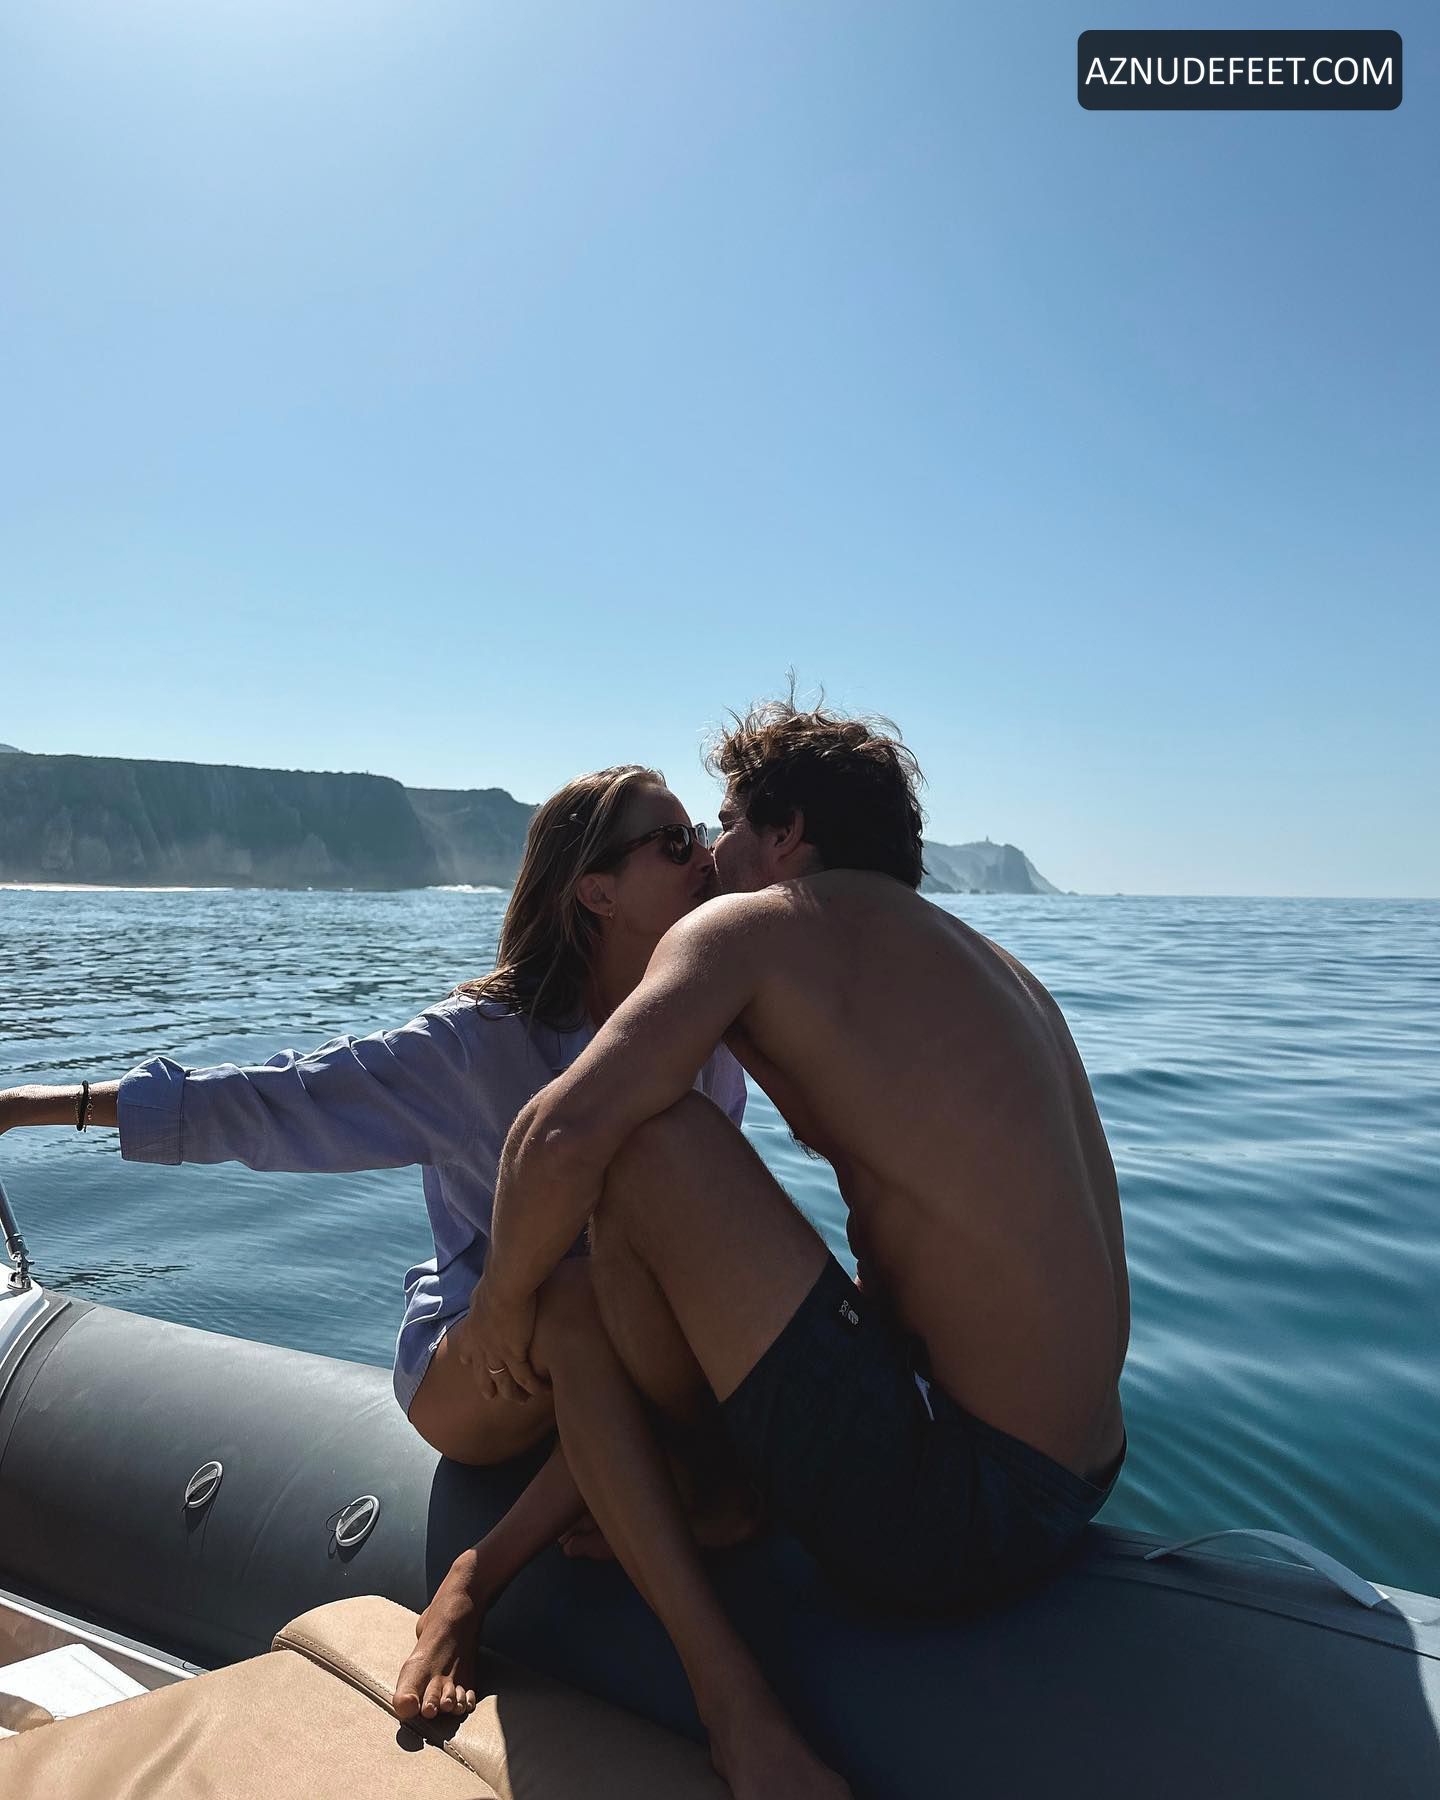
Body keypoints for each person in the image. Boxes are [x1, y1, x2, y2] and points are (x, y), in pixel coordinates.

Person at [455, 700, 1130, 1800]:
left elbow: (560, 1134)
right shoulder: (991, 965)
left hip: (962, 1512)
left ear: (785, 834)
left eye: (723, 824)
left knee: (644, 1144)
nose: (709, 855)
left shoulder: (757, 927)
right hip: (1087, 1472)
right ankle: (727, 1493)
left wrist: (498, 1309)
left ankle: (734, 1700)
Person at [0, 764, 746, 1711]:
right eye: (674, 842)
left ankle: (659, 1487)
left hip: (612, 1358)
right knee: (574, 1298)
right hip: (475, 1364)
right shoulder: (478, 1046)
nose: (704, 858)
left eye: (702, 835)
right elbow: (280, 1101)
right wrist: (34, 1106)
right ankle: (487, 1587)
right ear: (596, 891)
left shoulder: (701, 1033)